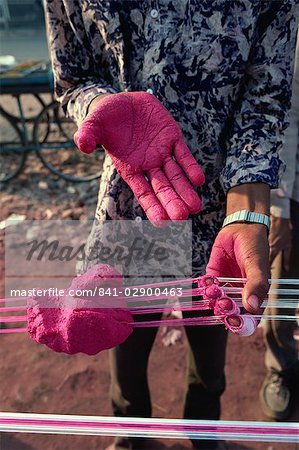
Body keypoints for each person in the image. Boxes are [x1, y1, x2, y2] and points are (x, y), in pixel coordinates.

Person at [44, 2, 298, 449]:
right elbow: (73, 78)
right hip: (133, 197)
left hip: (221, 213)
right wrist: (101, 103)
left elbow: (264, 96)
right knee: (126, 346)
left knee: (209, 350)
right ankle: (132, 436)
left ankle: (203, 434)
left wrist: (249, 208)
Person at [260, 32, 299, 422]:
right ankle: (280, 369)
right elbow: (284, 121)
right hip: (296, 196)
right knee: (284, 287)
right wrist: (280, 209)